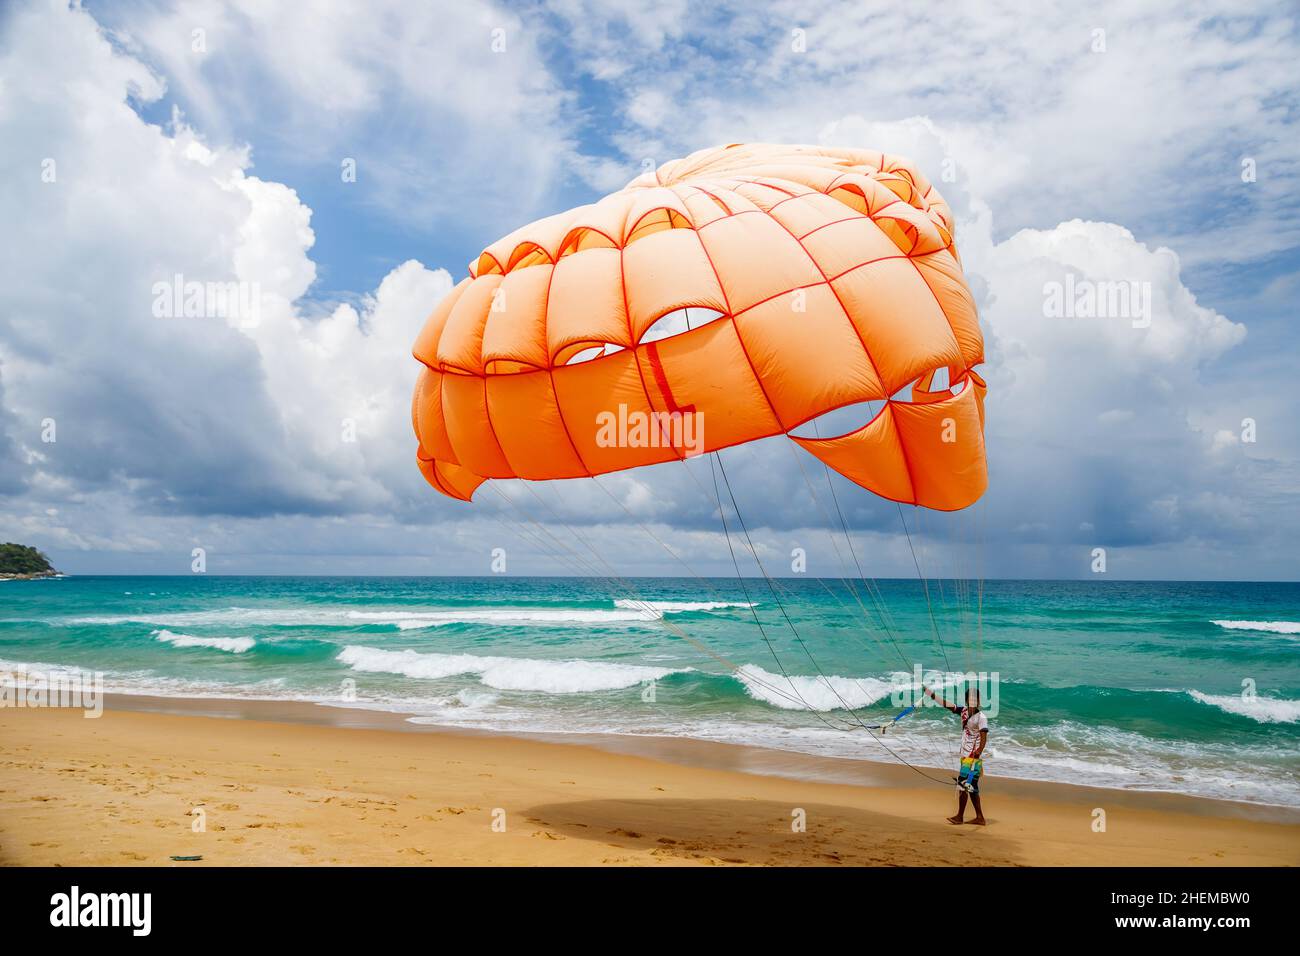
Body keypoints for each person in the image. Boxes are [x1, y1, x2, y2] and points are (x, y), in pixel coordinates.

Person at [924, 684, 988, 826]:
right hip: (965, 756)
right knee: (971, 786)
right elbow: (948, 705)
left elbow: (984, 736)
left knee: (963, 785)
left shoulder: (981, 717)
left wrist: (979, 751)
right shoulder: (964, 712)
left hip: (973, 757)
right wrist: (931, 695)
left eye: (975, 699)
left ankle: (960, 816)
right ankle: (980, 818)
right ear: (966, 701)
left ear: (978, 701)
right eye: (970, 699)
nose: (972, 702)